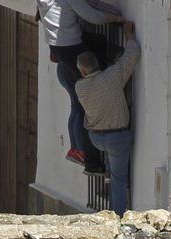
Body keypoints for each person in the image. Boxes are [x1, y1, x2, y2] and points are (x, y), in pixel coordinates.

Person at [38, 0, 121, 170]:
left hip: (59, 51)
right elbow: (93, 16)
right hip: (72, 49)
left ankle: (76, 149)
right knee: (86, 105)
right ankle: (90, 160)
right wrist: (115, 18)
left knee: (76, 104)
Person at [75, 21, 140, 215]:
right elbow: (132, 55)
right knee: (120, 181)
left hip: (96, 138)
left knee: (113, 172)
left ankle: (107, 173)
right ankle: (117, 217)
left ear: (82, 71)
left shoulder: (80, 87)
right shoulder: (112, 76)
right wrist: (128, 34)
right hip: (117, 138)